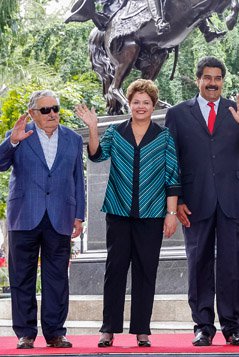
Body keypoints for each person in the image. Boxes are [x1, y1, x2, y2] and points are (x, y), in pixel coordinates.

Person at [165, 56, 239, 347]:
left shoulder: (236, 110)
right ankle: (203, 327)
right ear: (198, 80)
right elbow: (170, 161)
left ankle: (234, 327)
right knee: (199, 263)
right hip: (194, 201)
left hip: (232, 198)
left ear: (223, 81)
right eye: (207, 78)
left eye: (218, 78)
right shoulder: (177, 114)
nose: (212, 83)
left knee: (232, 265)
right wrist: (177, 201)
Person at [77, 80, 180, 348]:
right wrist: (93, 128)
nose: (141, 106)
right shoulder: (115, 132)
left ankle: (142, 330)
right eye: (136, 102)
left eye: (146, 102)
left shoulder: (164, 137)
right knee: (115, 270)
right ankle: (108, 329)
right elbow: (97, 156)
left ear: (153, 106)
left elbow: (172, 177)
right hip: (118, 211)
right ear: (129, 104)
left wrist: (171, 213)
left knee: (146, 271)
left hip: (152, 213)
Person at [1, 90, 85, 349]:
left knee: (57, 278)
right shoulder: (19, 134)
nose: (52, 114)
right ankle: (25, 333)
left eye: (55, 109)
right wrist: (11, 142)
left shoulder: (73, 139)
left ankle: (55, 332)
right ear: (33, 113)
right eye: (45, 110)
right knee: (21, 277)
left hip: (60, 216)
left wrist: (79, 215)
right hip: (24, 215)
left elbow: (78, 179)